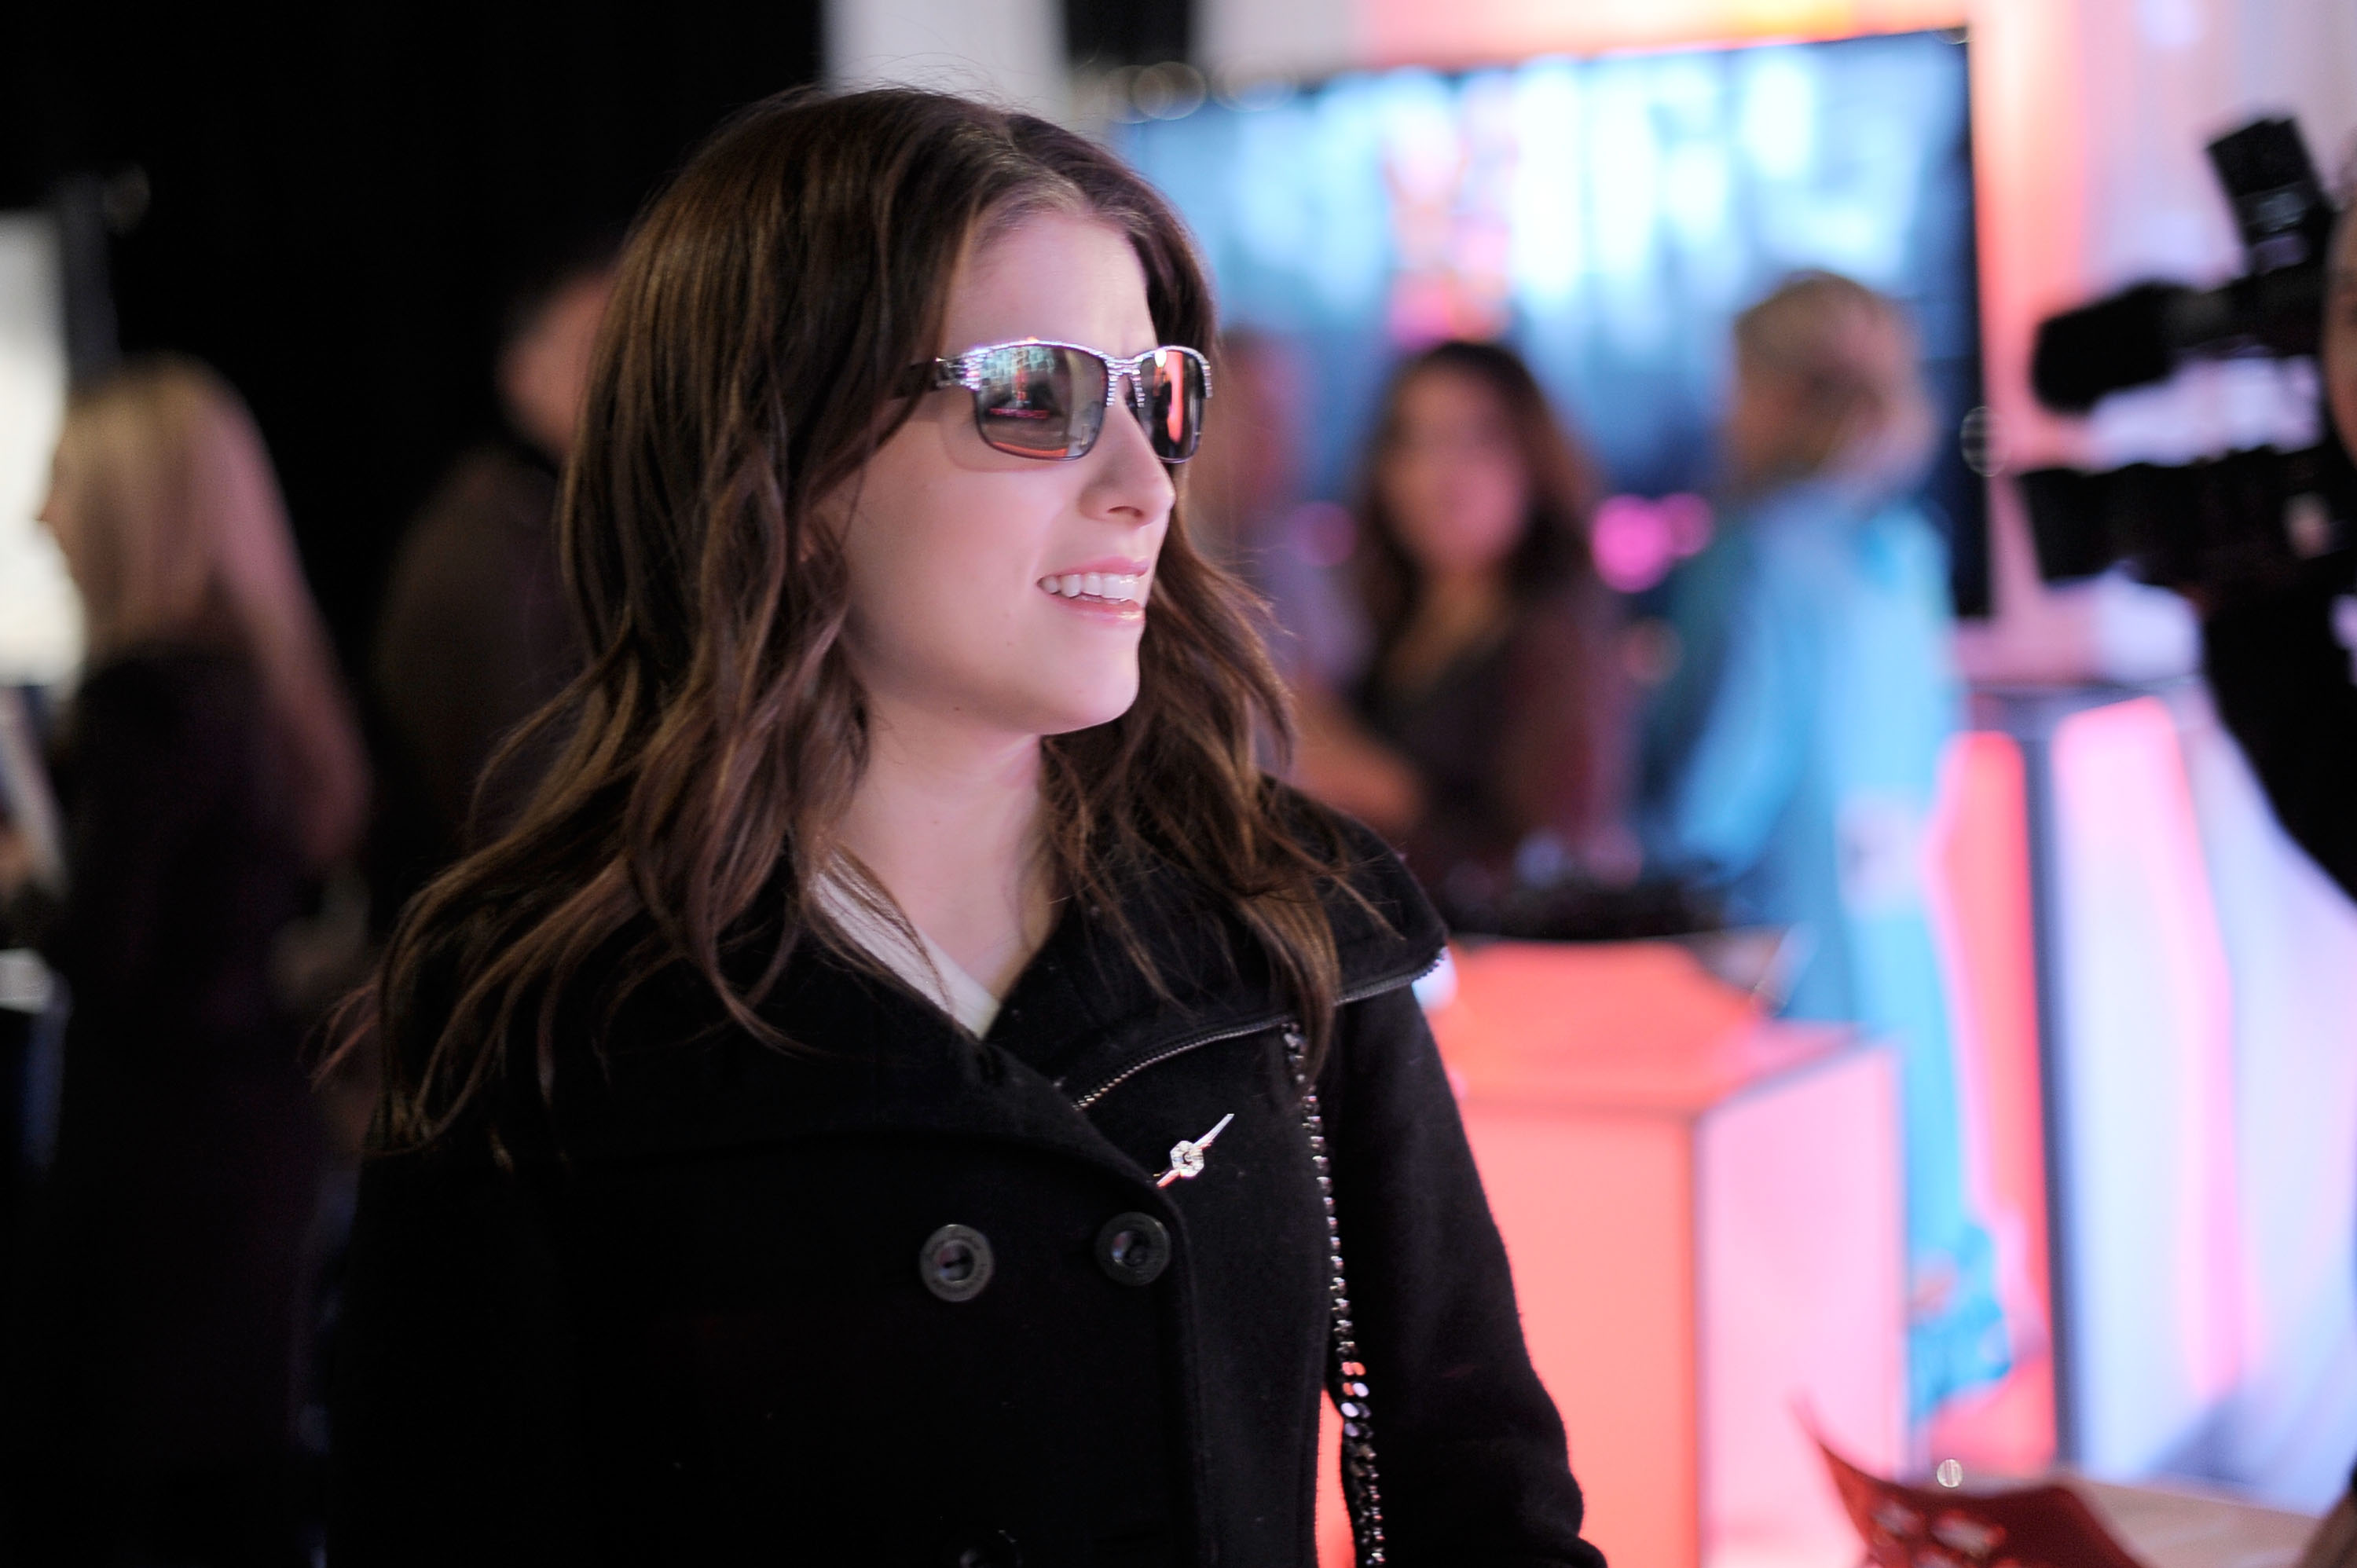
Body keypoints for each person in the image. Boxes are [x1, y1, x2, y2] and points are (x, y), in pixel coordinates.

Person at [329, 87, 1604, 1567]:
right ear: (785, 452)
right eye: (1042, 397)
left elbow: (1486, 1498)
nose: (1144, 487)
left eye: (1157, 395)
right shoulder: (539, 1011)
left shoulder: (1283, 922)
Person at [0, 359, 370, 1565]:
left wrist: (23, 888)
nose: (41, 519)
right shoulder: (256, 676)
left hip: (156, 1171)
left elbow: (113, 953)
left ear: (121, 504)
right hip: (255, 1146)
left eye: (60, 486)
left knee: (131, 1502)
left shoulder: (144, 702)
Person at [1642, 271, 2009, 1425]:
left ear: (1764, 393)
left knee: (1795, 1327)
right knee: (1906, 1274)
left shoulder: (1758, 555)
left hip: (1786, 979)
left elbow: (1709, 804)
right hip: (1905, 973)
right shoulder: (1903, 556)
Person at [1294, 339, 1633, 916]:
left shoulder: (1557, 641)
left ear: (1532, 455)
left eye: (1474, 439)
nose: (1438, 473)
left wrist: (1381, 787)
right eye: (1412, 440)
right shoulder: (1390, 623)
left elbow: (1551, 867)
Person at [369, 247, 611, 923]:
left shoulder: (554, 518)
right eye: (601, 350)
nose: (634, 376)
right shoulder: (486, 549)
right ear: (523, 376)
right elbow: (526, 817)